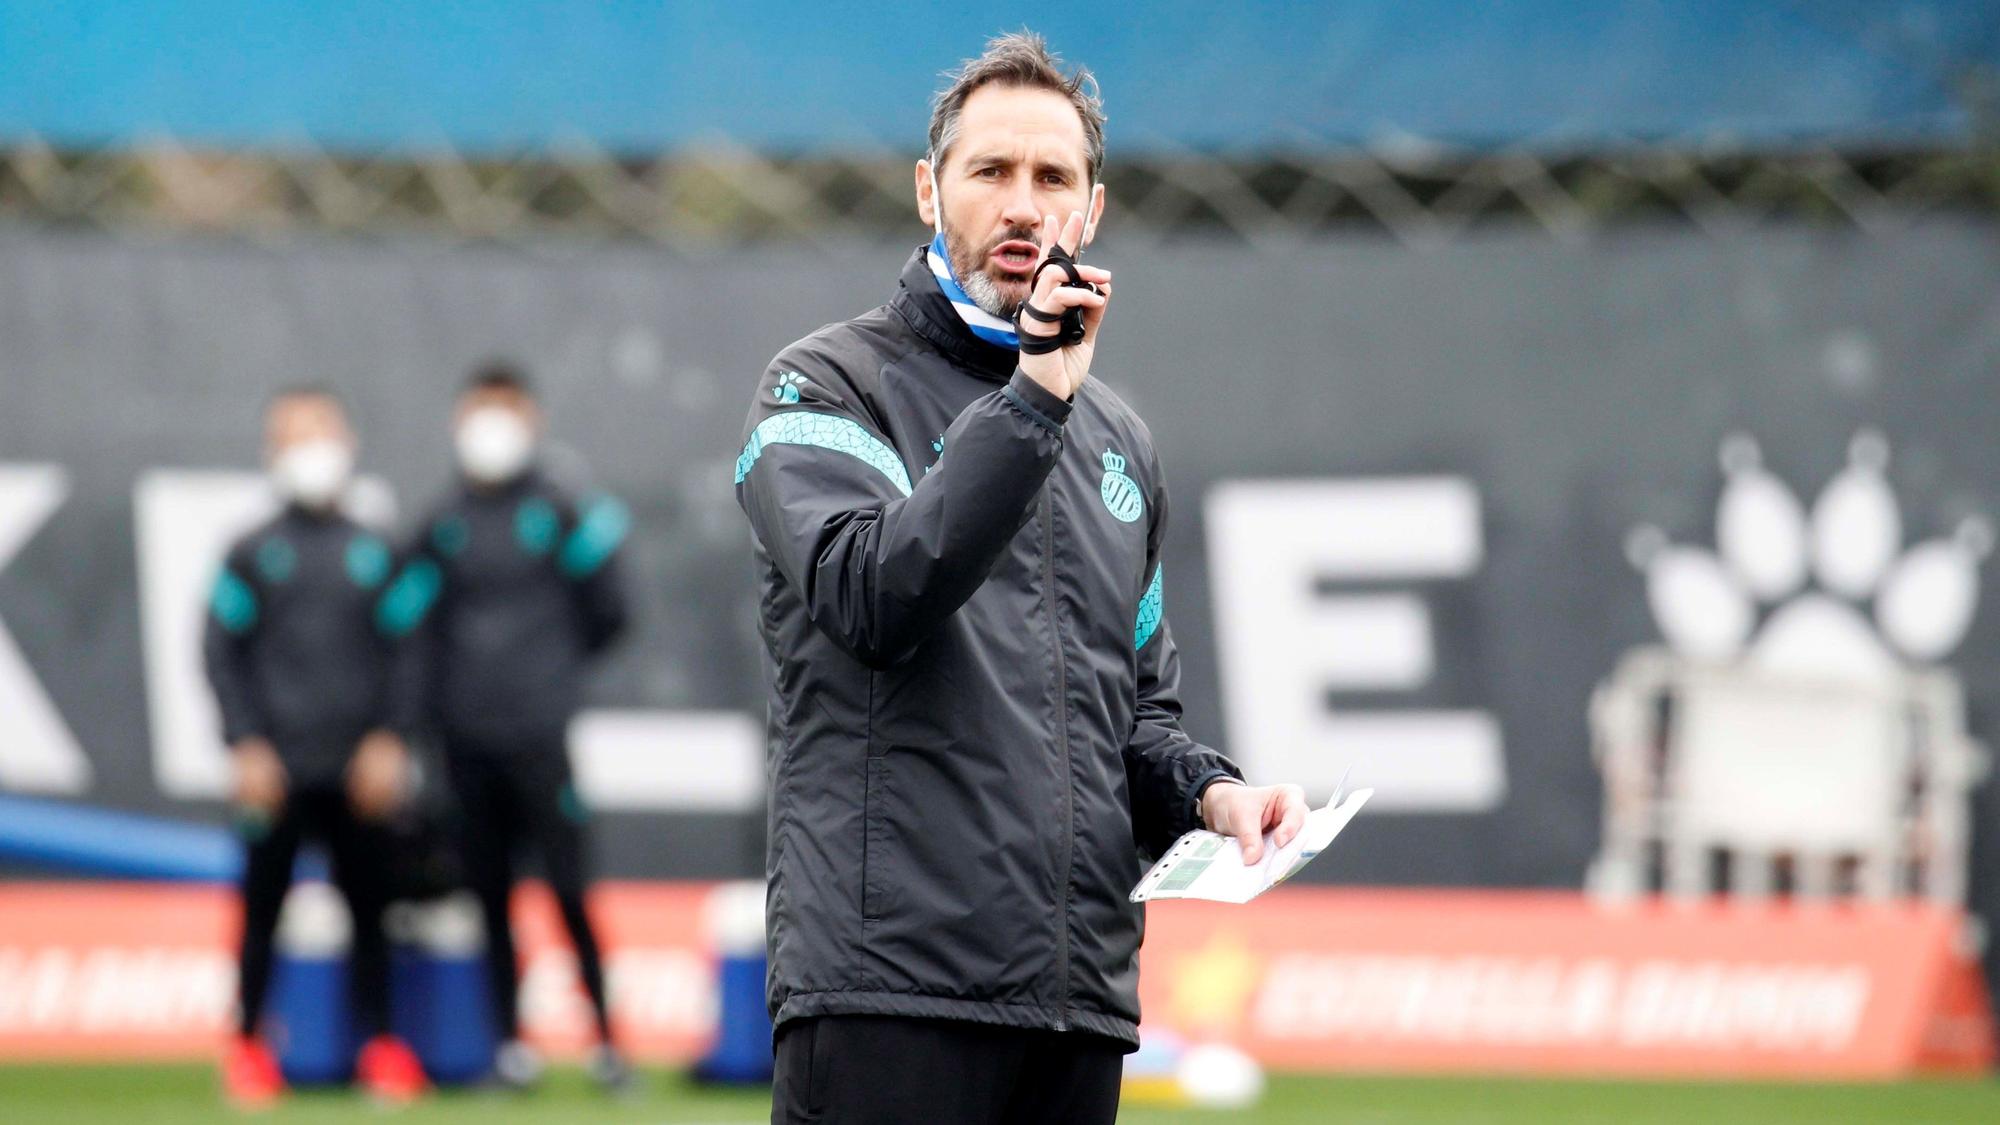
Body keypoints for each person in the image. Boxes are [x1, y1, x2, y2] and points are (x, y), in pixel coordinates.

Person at [734, 32, 1309, 1125]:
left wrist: (1208, 793)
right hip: (883, 993)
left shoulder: (1118, 441)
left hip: (1073, 1008)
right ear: (927, 189)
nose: (1021, 204)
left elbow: (1132, 714)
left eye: (1052, 178)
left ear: (1088, 213)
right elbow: (870, 595)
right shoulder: (821, 385)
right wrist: (1032, 404)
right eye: (989, 170)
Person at [385, 363, 634, 1092]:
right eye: (478, 412)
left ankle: (607, 1045)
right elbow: (407, 626)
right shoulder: (442, 525)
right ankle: (509, 1048)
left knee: (568, 889)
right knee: (488, 897)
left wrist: (548, 677)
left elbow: (609, 609)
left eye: (504, 411)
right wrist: (414, 723)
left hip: (539, 736)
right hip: (464, 744)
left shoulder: (560, 513)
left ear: (531, 421)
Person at [204, 385, 429, 1108]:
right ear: (273, 453)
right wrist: (244, 743)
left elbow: (408, 652)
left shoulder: (378, 549)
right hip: (277, 766)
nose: (310, 452)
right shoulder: (250, 552)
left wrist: (390, 740)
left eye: (320, 433)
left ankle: (383, 1048)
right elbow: (219, 651)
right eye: (294, 438)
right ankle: (246, 1048)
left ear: (348, 441)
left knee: (371, 909)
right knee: (261, 910)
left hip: (358, 766)